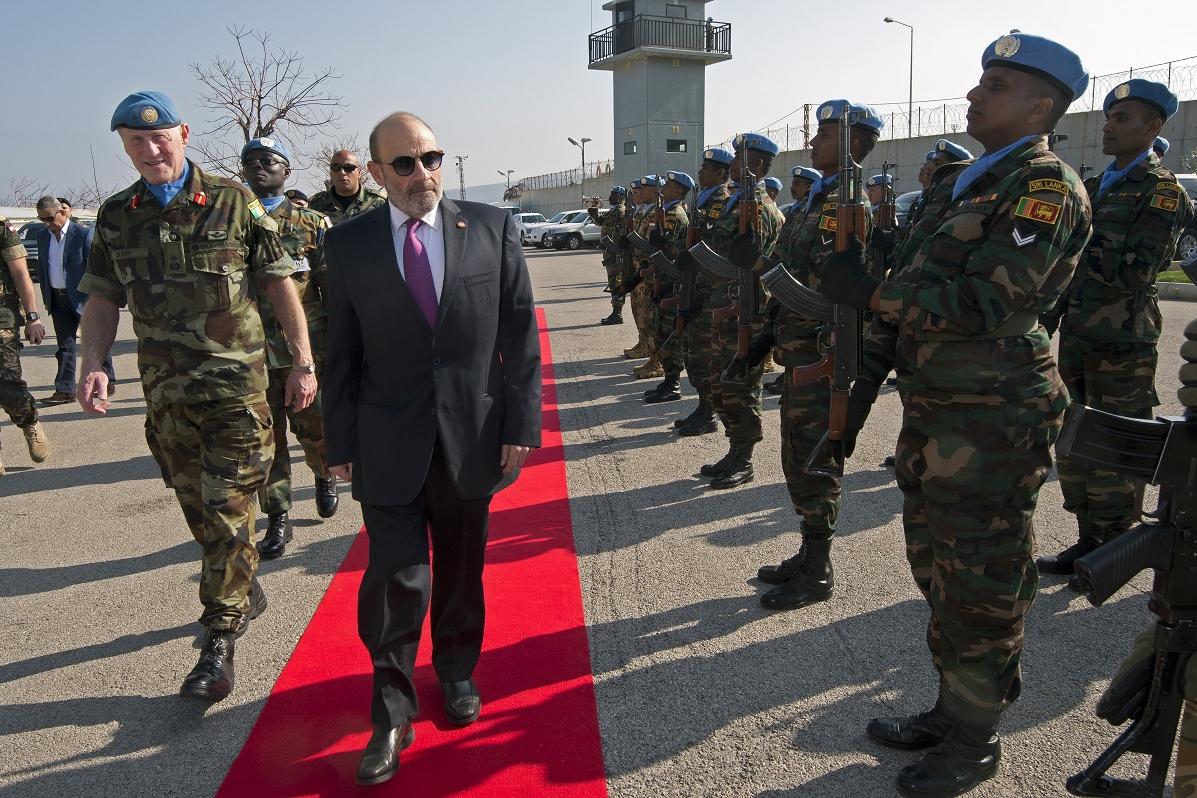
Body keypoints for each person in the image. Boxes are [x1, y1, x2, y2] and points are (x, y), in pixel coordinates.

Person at [824, 34, 1092, 795]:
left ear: (1040, 108)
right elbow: (910, 294)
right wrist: (857, 389)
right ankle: (953, 709)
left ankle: (976, 740)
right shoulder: (962, 185)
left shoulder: (1043, 187)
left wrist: (873, 293)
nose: (974, 94)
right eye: (980, 81)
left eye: (997, 85)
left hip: (994, 418)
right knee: (938, 571)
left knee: (982, 581)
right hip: (939, 413)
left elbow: (986, 303)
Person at [321, 112, 541, 787]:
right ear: (376, 172)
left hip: (471, 437)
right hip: (386, 441)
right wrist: (338, 441)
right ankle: (391, 711)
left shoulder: (492, 228)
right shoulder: (348, 243)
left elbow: (519, 335)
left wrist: (520, 425)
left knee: (461, 569)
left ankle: (456, 670)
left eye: (431, 158)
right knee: (395, 579)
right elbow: (341, 352)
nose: (423, 174)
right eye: (405, 164)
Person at [77, 91, 316, 702]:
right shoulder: (116, 216)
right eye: (135, 141)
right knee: (202, 515)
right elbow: (102, 297)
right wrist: (93, 361)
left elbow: (279, 283)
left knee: (229, 509)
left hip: (236, 393)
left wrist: (302, 362)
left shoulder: (233, 201)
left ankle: (219, 640)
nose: (150, 150)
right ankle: (241, 587)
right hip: (167, 398)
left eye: (159, 137)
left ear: (183, 135)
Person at [1039, 79, 1194, 579]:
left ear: (1153, 127)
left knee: (1115, 445)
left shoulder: (1161, 191)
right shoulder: (1096, 185)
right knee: (1075, 440)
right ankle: (1089, 538)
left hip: (1123, 341)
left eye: (1122, 118)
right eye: (1108, 117)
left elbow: (1138, 270)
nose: (1109, 126)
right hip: (1080, 332)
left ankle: (1116, 547)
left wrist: (1076, 248)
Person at [755, 100, 882, 612]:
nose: (813, 142)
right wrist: (769, 329)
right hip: (798, 347)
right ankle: (808, 551)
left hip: (822, 350)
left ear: (854, 143)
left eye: (825, 134)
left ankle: (820, 568)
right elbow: (786, 268)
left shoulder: (847, 207)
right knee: (795, 455)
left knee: (816, 458)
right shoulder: (815, 202)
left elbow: (836, 284)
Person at [241, 137, 340, 559]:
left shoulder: (312, 223)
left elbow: (330, 288)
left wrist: (337, 345)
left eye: (268, 160)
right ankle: (278, 516)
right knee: (267, 439)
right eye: (250, 161)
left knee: (314, 430)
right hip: (252, 352)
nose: (258, 167)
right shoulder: (232, 221)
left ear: (287, 171)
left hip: (305, 351)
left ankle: (323, 473)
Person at [699, 133, 782, 489]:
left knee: (741, 386)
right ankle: (734, 448)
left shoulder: (760, 208)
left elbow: (759, 265)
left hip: (746, 311)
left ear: (757, 164)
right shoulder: (736, 203)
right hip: (725, 308)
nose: (732, 165)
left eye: (738, 158)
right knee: (721, 384)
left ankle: (744, 458)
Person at [674, 147, 733, 437]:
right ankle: (702, 406)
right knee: (692, 354)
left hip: (711, 295)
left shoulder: (724, 203)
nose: (700, 172)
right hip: (696, 288)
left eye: (706, 168)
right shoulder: (702, 201)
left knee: (705, 356)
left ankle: (709, 413)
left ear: (721, 173)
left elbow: (720, 252)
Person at [34, 196, 114, 405]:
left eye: (50, 218)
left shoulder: (83, 234)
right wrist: (46, 297)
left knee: (95, 340)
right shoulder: (42, 236)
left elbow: (96, 268)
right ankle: (65, 390)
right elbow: (42, 268)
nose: (47, 223)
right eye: (42, 219)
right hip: (57, 299)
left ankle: (107, 380)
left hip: (83, 298)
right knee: (65, 346)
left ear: (62, 212)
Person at [0, 217, 50, 474]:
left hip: (2, 319)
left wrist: (33, 318)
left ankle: (28, 420)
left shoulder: (2, 229)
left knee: (8, 384)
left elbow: (20, 274)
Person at [642, 170, 693, 404]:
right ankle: (668, 379)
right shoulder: (665, 212)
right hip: (663, 280)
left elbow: (676, 250)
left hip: (672, 282)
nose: (663, 188)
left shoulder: (676, 215)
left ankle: (673, 383)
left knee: (670, 334)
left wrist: (663, 242)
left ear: (679, 191)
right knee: (661, 331)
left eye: (669, 186)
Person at [309, 149, 387, 226]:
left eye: (348, 168)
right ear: (331, 173)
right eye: (336, 167)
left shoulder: (380, 203)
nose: (342, 172)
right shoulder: (315, 204)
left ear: (359, 172)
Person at [593, 186, 628, 325]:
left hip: (616, 253)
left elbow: (623, 231)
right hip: (611, 252)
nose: (610, 197)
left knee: (617, 283)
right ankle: (615, 312)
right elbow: (600, 221)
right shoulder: (614, 210)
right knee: (613, 283)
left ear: (619, 196)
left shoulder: (621, 211)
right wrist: (594, 207)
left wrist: (619, 253)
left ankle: (617, 313)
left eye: (613, 194)